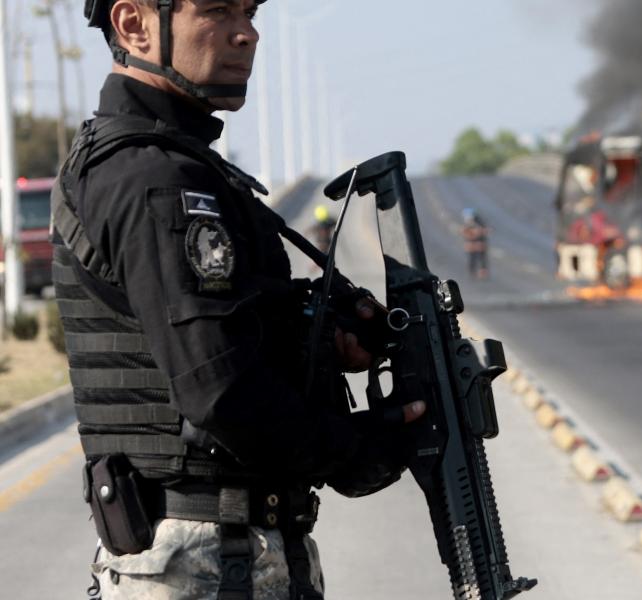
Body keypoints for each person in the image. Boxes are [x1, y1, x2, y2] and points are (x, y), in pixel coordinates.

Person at [53, 2, 423, 598]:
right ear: (134, 25)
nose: (246, 34)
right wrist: (355, 447)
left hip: (227, 555)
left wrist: (319, 338)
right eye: (217, 10)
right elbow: (220, 391)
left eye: (249, 12)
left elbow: (219, 335)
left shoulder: (181, 165)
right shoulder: (153, 177)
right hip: (205, 563)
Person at [461, 208, 490, 279]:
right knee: (473, 259)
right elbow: (465, 233)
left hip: (479, 244)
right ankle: (473, 273)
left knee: (481, 259)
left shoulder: (479, 223)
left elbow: (484, 232)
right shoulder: (469, 225)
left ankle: (482, 273)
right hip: (472, 245)